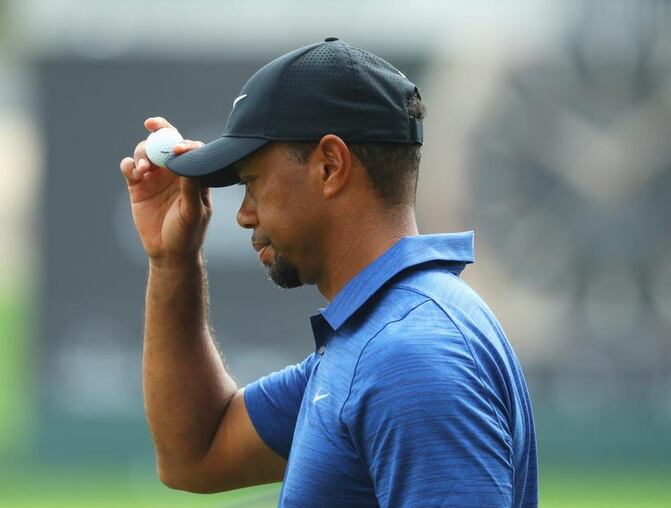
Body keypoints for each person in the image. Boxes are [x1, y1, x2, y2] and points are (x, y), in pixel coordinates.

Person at [119, 38, 537, 507]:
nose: (244, 214)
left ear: (329, 166)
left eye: (252, 181)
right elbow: (196, 453)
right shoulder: (381, 335)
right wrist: (172, 260)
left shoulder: (410, 357)